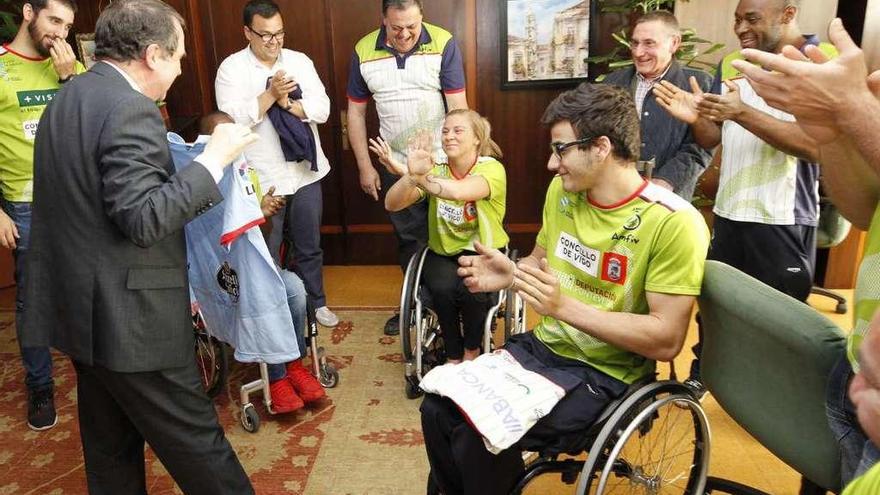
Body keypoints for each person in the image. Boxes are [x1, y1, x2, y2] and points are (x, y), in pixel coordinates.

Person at [420, 83, 710, 494]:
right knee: (436, 407)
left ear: (601, 147)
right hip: (544, 348)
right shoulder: (564, 192)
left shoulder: (673, 223)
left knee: (476, 433)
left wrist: (564, 307)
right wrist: (513, 273)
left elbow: (665, 339)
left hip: (605, 374)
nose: (551, 164)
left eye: (561, 149)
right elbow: (538, 261)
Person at [20, 1, 257, 492]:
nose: (179, 68)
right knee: (201, 450)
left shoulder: (68, 95)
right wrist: (212, 161)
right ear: (152, 54)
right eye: (178, 58)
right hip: (134, 321)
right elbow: (144, 219)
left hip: (82, 315)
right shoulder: (130, 108)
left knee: (110, 455)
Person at [651, 0, 836, 399]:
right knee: (716, 308)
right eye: (737, 19)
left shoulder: (819, 62)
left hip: (783, 216)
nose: (740, 28)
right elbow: (715, 138)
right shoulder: (733, 62)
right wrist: (696, 118)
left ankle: (768, 396)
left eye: (751, 18)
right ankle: (705, 374)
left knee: (778, 320)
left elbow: (815, 147)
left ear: (788, 14)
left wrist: (742, 114)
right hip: (730, 211)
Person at [731, 18, 880, 486]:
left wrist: (854, 110)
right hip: (861, 358)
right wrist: (831, 131)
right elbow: (862, 208)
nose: (741, 26)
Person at [215, 0, 339, 328]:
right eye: (266, 35)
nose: (274, 42)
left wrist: (291, 105)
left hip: (305, 171)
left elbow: (323, 107)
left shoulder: (299, 61)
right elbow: (232, 119)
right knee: (265, 250)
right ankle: (271, 314)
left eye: (279, 34)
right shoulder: (231, 69)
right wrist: (269, 95)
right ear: (248, 32)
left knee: (309, 243)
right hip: (261, 176)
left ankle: (317, 302)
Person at [347, 0, 467, 335]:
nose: (405, 34)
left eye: (412, 26)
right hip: (395, 163)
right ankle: (416, 306)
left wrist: (463, 163)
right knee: (409, 239)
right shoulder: (363, 51)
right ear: (383, 20)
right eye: (396, 27)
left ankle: (452, 308)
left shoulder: (443, 43)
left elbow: (458, 107)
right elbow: (355, 114)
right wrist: (365, 166)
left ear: (422, 17)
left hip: (442, 162)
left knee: (449, 237)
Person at [193, 111, 326, 413]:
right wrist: (252, 214)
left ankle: (292, 360)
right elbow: (205, 239)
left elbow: (260, 236)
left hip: (254, 263)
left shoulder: (244, 172)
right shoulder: (198, 180)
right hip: (222, 272)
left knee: (294, 288)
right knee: (262, 294)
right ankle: (276, 377)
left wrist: (263, 214)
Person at [0, 0, 84, 431]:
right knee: (34, 302)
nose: (60, 35)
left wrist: (69, 78)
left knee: (87, 290)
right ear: (29, 13)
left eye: (67, 26)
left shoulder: (70, 67)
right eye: (54, 21)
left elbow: (90, 121)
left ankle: (100, 375)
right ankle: (39, 385)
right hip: (26, 207)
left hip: (76, 201)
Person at [375, 109, 507, 363]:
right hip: (443, 252)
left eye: (458, 131)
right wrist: (412, 176)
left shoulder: (492, 169)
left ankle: (472, 350)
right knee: (441, 288)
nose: (449, 136)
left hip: (483, 252)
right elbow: (392, 204)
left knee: (473, 290)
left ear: (477, 138)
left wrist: (418, 175)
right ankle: (453, 354)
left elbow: (458, 192)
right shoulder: (437, 170)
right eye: (445, 131)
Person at [603, 10, 712, 200]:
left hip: (668, 199)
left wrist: (665, 182)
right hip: (616, 194)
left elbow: (702, 147)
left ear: (674, 43)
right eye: (635, 43)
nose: (638, 52)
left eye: (649, 43)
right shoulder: (611, 83)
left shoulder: (699, 84)